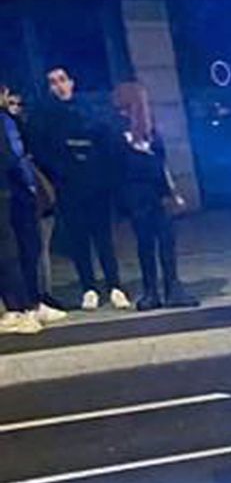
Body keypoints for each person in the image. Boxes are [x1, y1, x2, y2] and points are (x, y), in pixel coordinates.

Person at [34, 66, 128, 310]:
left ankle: (114, 285)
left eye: (62, 80)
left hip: (96, 183)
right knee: (79, 239)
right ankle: (89, 287)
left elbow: (105, 140)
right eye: (53, 82)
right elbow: (41, 149)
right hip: (69, 184)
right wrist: (59, 172)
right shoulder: (45, 115)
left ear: (72, 82)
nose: (59, 86)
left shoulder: (90, 110)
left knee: (103, 237)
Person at [111, 82, 196, 310]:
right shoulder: (117, 129)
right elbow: (118, 165)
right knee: (146, 242)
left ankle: (172, 287)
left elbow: (161, 164)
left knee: (166, 240)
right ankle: (151, 290)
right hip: (137, 194)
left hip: (157, 192)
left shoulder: (150, 129)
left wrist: (171, 191)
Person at [0, 83, 63, 331]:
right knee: (7, 250)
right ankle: (18, 308)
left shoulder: (9, 119)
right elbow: (10, 156)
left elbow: (21, 152)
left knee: (28, 246)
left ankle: (33, 302)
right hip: (7, 188)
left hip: (18, 190)